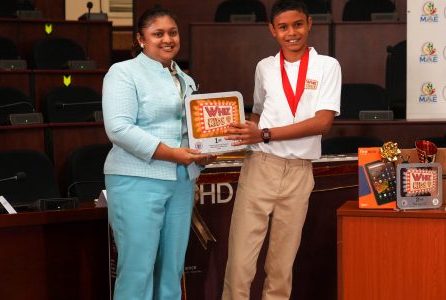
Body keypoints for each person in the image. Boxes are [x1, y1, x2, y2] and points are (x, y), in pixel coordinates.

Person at [222, 0, 341, 299]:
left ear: (309, 24)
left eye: (298, 25)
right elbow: (258, 113)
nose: (292, 33)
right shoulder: (264, 67)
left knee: (281, 268)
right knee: (239, 264)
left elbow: (322, 122)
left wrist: (263, 133)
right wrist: (236, 136)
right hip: (261, 166)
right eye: (284, 27)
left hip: (300, 172)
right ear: (272, 30)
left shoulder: (327, 66)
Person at [102, 6, 215, 300]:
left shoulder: (184, 78)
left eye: (173, 32)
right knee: (137, 269)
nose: (168, 39)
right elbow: (118, 129)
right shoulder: (123, 72)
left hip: (181, 180)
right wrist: (173, 154)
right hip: (136, 178)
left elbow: (190, 127)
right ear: (141, 39)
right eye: (158, 34)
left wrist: (206, 150)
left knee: (172, 269)